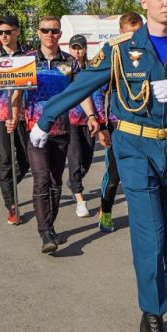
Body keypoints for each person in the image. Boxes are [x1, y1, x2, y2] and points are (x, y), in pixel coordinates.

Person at [31, 0, 167, 332]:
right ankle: (154, 318)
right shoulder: (120, 50)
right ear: (144, 2)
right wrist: (46, 119)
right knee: (150, 234)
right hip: (134, 147)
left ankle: (152, 303)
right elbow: (83, 85)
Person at [8, 16, 98, 254]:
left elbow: (81, 92)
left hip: (62, 129)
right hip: (35, 130)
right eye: (45, 30)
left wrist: (91, 116)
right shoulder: (27, 61)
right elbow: (17, 94)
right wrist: (13, 116)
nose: (50, 34)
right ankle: (45, 232)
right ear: (38, 32)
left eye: (54, 31)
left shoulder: (70, 62)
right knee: (41, 179)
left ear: (60, 34)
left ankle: (50, 224)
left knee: (56, 182)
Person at [0, 14, 31, 225]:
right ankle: (11, 204)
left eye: (7, 32)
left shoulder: (28, 55)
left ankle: (7, 183)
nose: (3, 36)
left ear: (17, 31)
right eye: (0, 32)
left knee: (27, 159)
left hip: (25, 115)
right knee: (5, 161)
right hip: (0, 115)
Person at [98, 12, 143, 233]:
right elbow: (98, 93)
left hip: (144, 126)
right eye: (128, 33)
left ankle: (141, 216)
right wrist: (102, 126)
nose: (133, 38)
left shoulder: (149, 54)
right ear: (120, 32)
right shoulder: (112, 55)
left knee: (141, 176)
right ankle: (105, 211)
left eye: (137, 33)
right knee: (114, 175)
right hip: (118, 126)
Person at [65, 34, 103, 218]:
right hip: (71, 119)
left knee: (86, 161)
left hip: (90, 120)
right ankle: (80, 199)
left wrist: (99, 119)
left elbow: (99, 93)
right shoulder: (66, 69)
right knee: (75, 157)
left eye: (80, 48)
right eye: (74, 48)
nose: (77, 51)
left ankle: (73, 182)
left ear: (85, 49)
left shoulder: (93, 68)